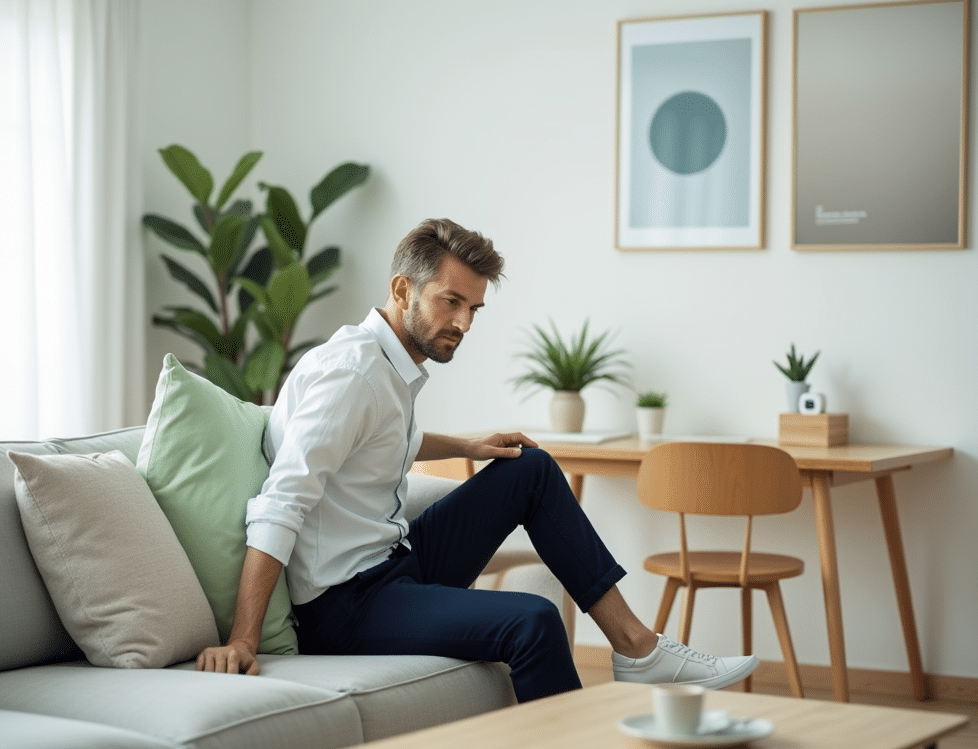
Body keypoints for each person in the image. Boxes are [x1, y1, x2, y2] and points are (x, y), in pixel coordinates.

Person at [197, 218, 758, 702]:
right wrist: (244, 639)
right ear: (402, 289)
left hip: (396, 563)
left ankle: (638, 649)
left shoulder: (384, 363)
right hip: (347, 605)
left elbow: (375, 441)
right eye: (452, 302)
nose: (464, 324)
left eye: (474, 308)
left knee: (530, 469)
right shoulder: (352, 374)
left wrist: (468, 447)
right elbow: (281, 501)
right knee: (533, 619)